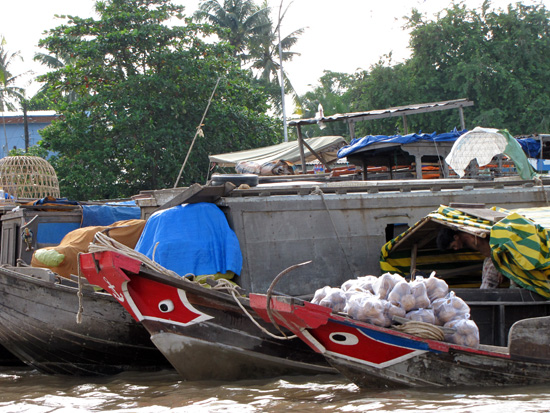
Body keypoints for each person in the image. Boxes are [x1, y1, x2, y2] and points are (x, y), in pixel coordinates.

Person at [436, 227, 503, 289]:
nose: (456, 248)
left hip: (496, 258)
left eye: (454, 246)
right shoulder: (465, 236)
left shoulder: (473, 240)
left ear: (456, 237)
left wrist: (500, 268)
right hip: (491, 258)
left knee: (488, 285)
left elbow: (494, 252)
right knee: (485, 283)